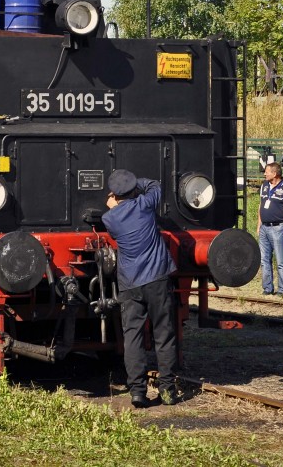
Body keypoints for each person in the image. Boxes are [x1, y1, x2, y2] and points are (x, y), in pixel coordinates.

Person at [102, 169, 181, 408]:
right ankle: (167, 391)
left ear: (114, 194)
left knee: (133, 337)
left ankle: (137, 392)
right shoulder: (145, 204)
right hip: (157, 278)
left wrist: (114, 205)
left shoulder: (109, 218)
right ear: (134, 191)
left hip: (129, 282)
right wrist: (138, 182)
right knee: (163, 335)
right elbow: (156, 183)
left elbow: (118, 222)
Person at [256, 161, 283, 295]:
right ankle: (267, 288)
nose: (265, 174)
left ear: (274, 173)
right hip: (264, 228)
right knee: (264, 260)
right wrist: (259, 225)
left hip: (278, 228)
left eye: (267, 171)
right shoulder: (264, 186)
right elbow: (260, 206)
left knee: (280, 260)